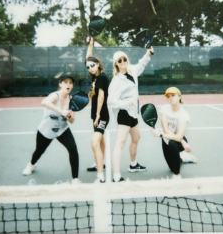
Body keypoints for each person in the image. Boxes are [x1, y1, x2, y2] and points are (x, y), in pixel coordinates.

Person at [21, 74, 82, 184]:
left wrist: (68, 116)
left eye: (70, 83)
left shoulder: (72, 100)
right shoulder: (55, 96)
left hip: (62, 130)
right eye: (65, 82)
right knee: (39, 151)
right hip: (46, 130)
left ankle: (75, 179)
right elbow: (44, 102)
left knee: (73, 149)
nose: (68, 84)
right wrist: (61, 111)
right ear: (60, 84)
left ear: (72, 86)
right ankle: (31, 164)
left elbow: (72, 120)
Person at [106, 46, 153, 182]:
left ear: (127, 59)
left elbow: (141, 65)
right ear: (116, 64)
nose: (122, 62)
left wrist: (148, 54)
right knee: (120, 143)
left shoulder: (132, 71)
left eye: (124, 59)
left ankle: (133, 165)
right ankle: (116, 176)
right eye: (119, 61)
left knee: (136, 138)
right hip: (124, 113)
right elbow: (111, 101)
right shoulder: (116, 80)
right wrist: (127, 104)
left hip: (133, 113)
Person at [147, 87, 194, 179]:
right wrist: (164, 135)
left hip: (177, 141)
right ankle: (183, 158)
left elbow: (178, 136)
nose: (170, 98)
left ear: (179, 97)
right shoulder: (164, 109)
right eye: (168, 96)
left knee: (172, 144)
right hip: (166, 139)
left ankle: (177, 175)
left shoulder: (184, 115)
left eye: (173, 95)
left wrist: (159, 135)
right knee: (172, 167)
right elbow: (165, 130)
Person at [83, 37, 111, 183]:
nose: (90, 68)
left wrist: (98, 115)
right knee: (100, 141)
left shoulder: (102, 77)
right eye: (88, 67)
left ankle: (100, 176)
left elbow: (101, 97)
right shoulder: (94, 77)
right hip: (96, 114)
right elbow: (88, 58)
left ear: (98, 64)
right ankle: (101, 163)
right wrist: (91, 43)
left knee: (95, 142)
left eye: (92, 65)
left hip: (101, 115)